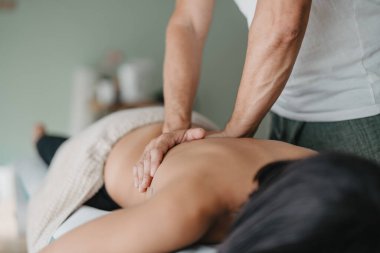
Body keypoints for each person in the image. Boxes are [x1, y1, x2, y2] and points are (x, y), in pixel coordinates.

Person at [134, 0, 380, 192]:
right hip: (284, 111)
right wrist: (174, 129)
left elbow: (284, 22)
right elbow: (187, 23)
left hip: (358, 112)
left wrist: (234, 132)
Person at [33, 122, 380, 253]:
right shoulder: (188, 209)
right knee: (54, 148)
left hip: (198, 136)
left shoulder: (330, 175)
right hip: (109, 149)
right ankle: (42, 137)